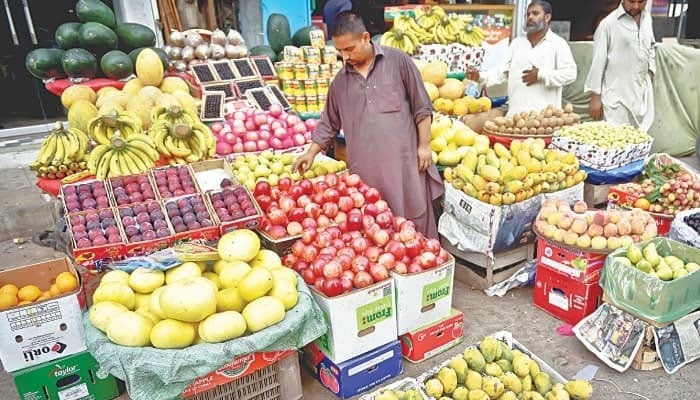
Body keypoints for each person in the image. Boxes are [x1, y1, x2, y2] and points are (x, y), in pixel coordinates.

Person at [292, 11, 443, 238]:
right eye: (340, 51)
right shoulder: (340, 83)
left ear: (365, 38)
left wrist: (424, 145)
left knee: (416, 223)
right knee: (377, 230)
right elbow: (328, 123)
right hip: (367, 174)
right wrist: (310, 152)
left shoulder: (398, 61)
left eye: (349, 49)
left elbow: (422, 106)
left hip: (405, 167)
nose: (345, 57)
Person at [467, 0, 577, 117]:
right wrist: (480, 76)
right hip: (516, 118)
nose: (530, 17)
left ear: (547, 17)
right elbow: (502, 71)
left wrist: (541, 75)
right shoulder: (517, 43)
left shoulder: (558, 44)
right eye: (528, 14)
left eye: (535, 14)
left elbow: (570, 74)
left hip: (545, 120)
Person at [585, 0, 656, 132]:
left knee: (639, 141)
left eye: (641, 2)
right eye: (631, 1)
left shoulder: (647, 19)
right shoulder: (608, 24)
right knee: (617, 142)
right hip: (616, 96)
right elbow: (597, 62)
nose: (636, 6)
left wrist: (650, 70)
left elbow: (651, 46)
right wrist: (595, 97)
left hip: (641, 96)